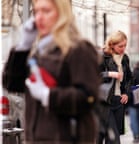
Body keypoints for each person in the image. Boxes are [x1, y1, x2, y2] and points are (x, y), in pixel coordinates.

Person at [4, 0, 100, 143]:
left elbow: (88, 97)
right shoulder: (38, 51)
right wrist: (23, 47)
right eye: (36, 12)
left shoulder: (79, 49)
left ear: (62, 14)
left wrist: (48, 95)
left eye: (46, 11)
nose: (39, 17)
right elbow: (12, 84)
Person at [97, 30, 132, 144]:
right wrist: (110, 74)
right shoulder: (101, 56)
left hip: (118, 101)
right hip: (105, 101)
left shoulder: (125, 58)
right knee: (112, 138)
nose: (123, 48)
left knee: (112, 136)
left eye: (125, 45)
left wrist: (126, 93)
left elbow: (129, 78)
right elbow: (92, 76)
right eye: (120, 46)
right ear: (111, 45)